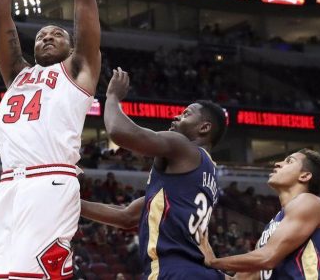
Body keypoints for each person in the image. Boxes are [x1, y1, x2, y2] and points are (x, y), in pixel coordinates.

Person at [0, 0, 101, 280]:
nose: (47, 36)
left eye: (57, 33)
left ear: (72, 46)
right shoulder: (17, 74)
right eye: (41, 35)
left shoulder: (79, 70)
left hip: (50, 181)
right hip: (8, 187)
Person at [79, 68, 227, 279]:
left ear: (204, 128)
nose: (176, 116)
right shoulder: (204, 174)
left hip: (174, 270)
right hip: (200, 272)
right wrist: (72, 203)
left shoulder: (182, 146)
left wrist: (112, 97)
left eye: (186, 114)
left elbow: (119, 132)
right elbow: (127, 216)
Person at [199, 149, 320, 279]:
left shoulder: (309, 201)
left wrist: (213, 262)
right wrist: (199, 260)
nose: (278, 163)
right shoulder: (272, 228)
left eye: (289, 161)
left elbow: (268, 257)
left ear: (304, 176)